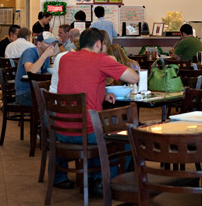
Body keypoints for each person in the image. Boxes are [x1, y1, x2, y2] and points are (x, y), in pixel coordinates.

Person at [54, 28, 139, 191]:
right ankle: (104, 180)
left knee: (97, 120)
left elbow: (79, 85)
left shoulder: (65, 58)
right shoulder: (101, 59)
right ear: (99, 44)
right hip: (88, 132)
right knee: (127, 131)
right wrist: (113, 60)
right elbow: (134, 77)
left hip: (60, 131)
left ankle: (71, 176)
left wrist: (102, 94)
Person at [14, 32, 58, 106]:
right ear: (39, 44)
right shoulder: (29, 52)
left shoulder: (46, 56)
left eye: (53, 44)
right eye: (48, 43)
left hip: (37, 90)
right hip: (24, 94)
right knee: (49, 100)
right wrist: (44, 56)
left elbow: (44, 75)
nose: (52, 46)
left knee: (56, 95)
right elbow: (30, 71)